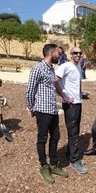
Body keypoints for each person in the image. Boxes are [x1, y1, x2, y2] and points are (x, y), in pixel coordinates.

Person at [25, 43, 68, 184]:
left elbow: (52, 88)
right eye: (58, 52)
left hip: (52, 109)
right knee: (42, 138)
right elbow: (30, 90)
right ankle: (44, 166)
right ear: (51, 53)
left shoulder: (51, 69)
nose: (60, 55)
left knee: (56, 136)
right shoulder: (38, 68)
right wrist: (31, 107)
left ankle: (54, 164)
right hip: (42, 110)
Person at [55, 47, 88, 174]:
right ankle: (74, 160)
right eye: (75, 53)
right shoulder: (65, 66)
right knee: (73, 131)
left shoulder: (78, 66)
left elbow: (77, 83)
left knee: (76, 129)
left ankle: (69, 151)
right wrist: (64, 96)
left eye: (80, 53)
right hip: (70, 104)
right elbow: (55, 80)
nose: (78, 55)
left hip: (77, 102)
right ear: (70, 54)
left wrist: (79, 95)